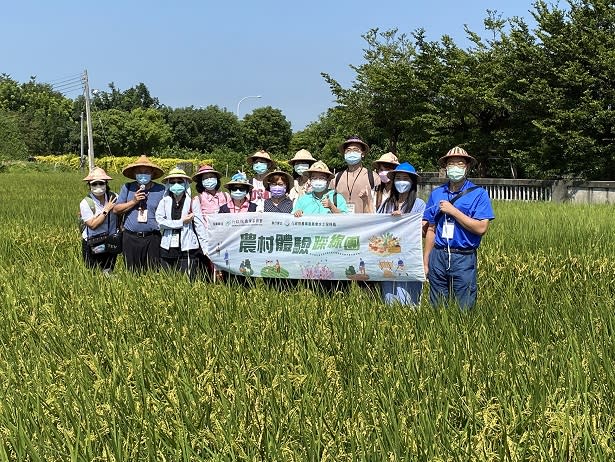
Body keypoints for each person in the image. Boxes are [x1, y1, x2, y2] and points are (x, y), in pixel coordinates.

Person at [423, 146, 495, 309]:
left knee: (464, 306)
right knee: (437, 305)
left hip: (463, 256)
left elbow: (481, 227)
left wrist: (454, 211)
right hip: (439, 255)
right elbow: (431, 229)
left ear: (467, 167)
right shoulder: (437, 193)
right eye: (451, 164)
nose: (455, 167)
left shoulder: (478, 194)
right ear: (446, 168)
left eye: (460, 164)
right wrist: (426, 260)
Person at [377, 162, 426, 306]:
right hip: (388, 256)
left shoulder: (419, 204)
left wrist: (404, 219)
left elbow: (424, 231)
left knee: (409, 298)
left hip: (409, 256)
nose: (401, 182)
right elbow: (376, 227)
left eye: (405, 178)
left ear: (412, 182)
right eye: (398, 178)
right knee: (389, 297)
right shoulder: (387, 204)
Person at [113, 155, 165, 272]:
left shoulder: (161, 189)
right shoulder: (128, 187)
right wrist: (133, 201)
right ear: (134, 173)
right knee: (132, 272)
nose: (143, 174)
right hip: (130, 237)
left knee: (153, 271)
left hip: (152, 237)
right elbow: (116, 209)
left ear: (152, 173)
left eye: (146, 172)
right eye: (139, 172)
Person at [155, 167, 207, 279]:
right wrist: (181, 222)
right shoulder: (164, 201)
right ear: (168, 184)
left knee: (188, 279)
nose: (176, 185)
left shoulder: (193, 201)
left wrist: (205, 247)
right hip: (167, 245)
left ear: (185, 183)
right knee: (167, 279)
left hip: (187, 246)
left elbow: (199, 225)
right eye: (173, 182)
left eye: (179, 182)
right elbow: (160, 222)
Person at [191, 164, 229, 279]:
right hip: (208, 238)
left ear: (217, 179)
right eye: (205, 178)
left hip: (225, 238)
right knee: (211, 269)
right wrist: (205, 246)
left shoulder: (226, 196)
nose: (209, 180)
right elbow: (199, 224)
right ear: (200, 182)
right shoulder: (198, 199)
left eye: (211, 177)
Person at [79, 167, 119, 273]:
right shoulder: (86, 203)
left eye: (101, 183)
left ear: (106, 184)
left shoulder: (114, 197)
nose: (98, 186)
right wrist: (106, 210)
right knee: (93, 273)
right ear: (89, 185)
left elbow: (121, 214)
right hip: (93, 242)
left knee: (109, 271)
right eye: (94, 184)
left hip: (111, 241)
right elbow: (92, 225)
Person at [332, 136, 380, 213]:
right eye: (348, 150)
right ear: (344, 154)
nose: (351, 153)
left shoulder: (373, 177)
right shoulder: (336, 178)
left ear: (363, 154)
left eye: (356, 150)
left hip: (364, 223)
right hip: (342, 222)